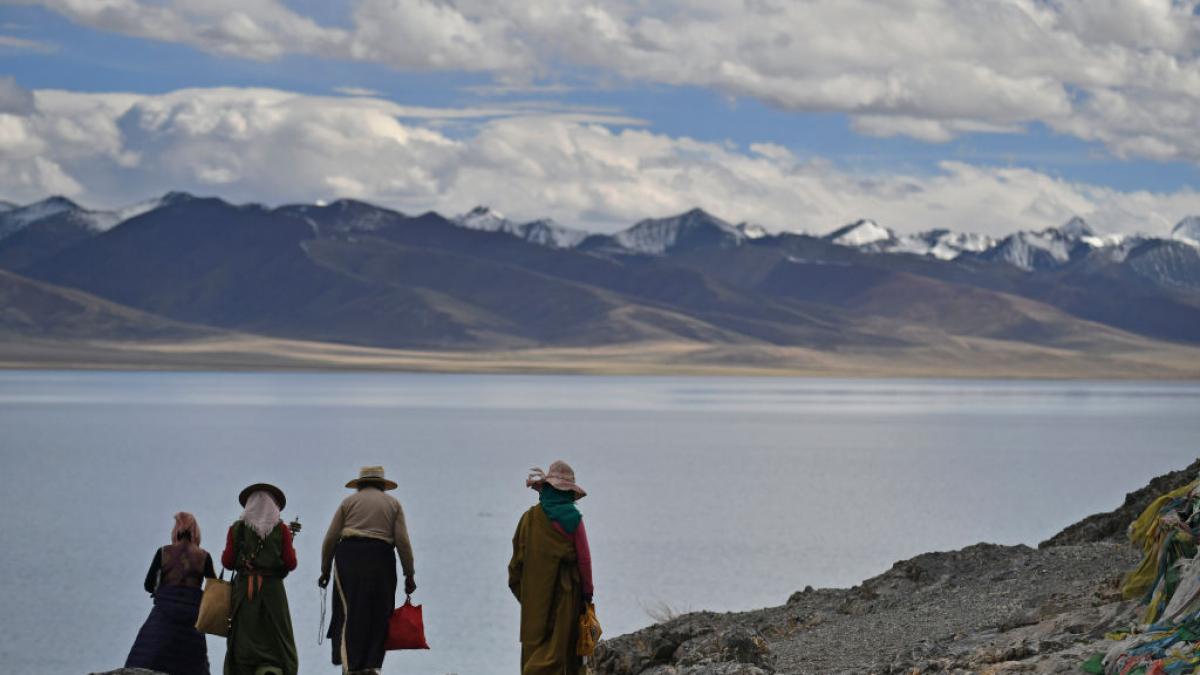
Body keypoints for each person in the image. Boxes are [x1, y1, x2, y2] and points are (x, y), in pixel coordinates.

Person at [319, 466, 416, 675]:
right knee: (379, 612)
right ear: (382, 485)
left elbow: (330, 539)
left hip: (349, 558)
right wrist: (410, 574)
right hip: (381, 560)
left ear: (360, 484)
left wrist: (325, 570)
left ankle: (350, 665)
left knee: (349, 611)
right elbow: (403, 542)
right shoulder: (393, 504)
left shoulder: (348, 503)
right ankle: (372, 666)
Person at [508, 460, 594, 675]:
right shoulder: (573, 518)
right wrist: (587, 593)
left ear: (546, 489)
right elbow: (584, 560)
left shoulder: (529, 518)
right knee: (561, 645)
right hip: (566, 592)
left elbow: (516, 563)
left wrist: (526, 592)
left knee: (534, 641)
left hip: (535, 594)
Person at [222, 483, 299, 675]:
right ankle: (271, 669)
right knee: (278, 641)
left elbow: (228, 562)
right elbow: (291, 563)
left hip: (243, 595)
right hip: (272, 594)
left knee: (242, 642)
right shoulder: (281, 530)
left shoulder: (236, 529)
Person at [125, 512, 216, 675]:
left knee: (144, 658)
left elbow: (148, 585)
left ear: (176, 531)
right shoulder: (204, 556)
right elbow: (213, 591)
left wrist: (164, 590)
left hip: (163, 616)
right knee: (194, 665)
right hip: (193, 618)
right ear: (196, 532)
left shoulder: (163, 552)